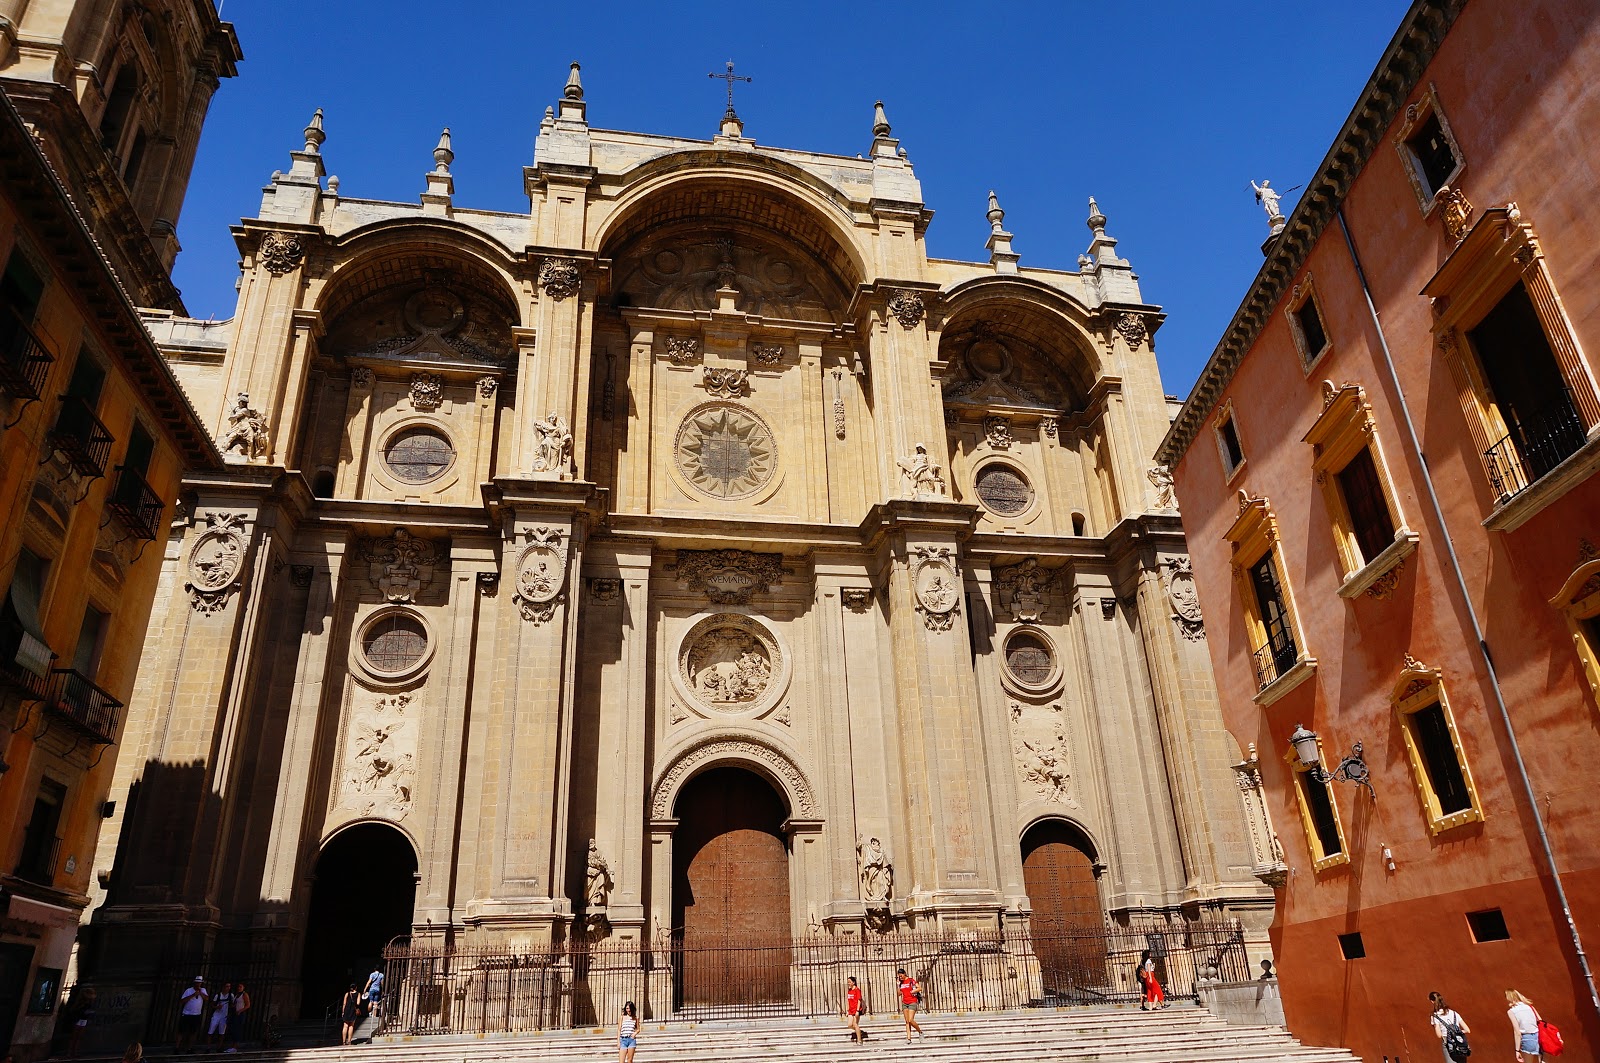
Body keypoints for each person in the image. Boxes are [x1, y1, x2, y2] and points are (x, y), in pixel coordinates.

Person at [1429, 990, 1470, 1062]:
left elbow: (1439, 1035)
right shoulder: (1454, 1013)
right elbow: (1467, 1030)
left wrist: (1448, 1033)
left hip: (1448, 1043)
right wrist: (1456, 1032)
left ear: (1432, 1001)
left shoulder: (1435, 1016)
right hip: (1460, 1043)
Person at [1506, 989, 1542, 1062]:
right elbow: (1541, 1022)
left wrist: (1517, 1050)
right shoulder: (1530, 1007)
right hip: (1540, 1036)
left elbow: (1517, 1033)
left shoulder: (1511, 1011)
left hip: (1527, 1038)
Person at [177, 977, 207, 1053]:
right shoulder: (188, 990)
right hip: (187, 1014)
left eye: (199, 983)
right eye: (197, 983)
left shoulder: (203, 990)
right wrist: (193, 995)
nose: (198, 984)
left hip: (196, 1014)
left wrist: (200, 993)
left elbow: (207, 999)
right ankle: (177, 1048)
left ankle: (189, 1048)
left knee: (193, 1032)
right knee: (181, 1031)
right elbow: (182, 1001)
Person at [896, 967, 923, 1042]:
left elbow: (919, 988)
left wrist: (913, 991)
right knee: (907, 1021)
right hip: (905, 1002)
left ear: (904, 974)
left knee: (911, 1020)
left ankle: (920, 1032)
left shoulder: (911, 980)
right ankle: (909, 1038)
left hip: (912, 1001)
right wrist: (898, 985)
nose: (900, 977)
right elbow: (898, 994)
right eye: (899, 976)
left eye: (901, 976)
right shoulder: (901, 983)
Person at [207, 981, 233, 1049]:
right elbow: (212, 1005)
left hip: (224, 1016)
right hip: (216, 1015)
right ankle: (208, 1047)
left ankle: (219, 1047)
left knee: (222, 1033)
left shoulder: (231, 995)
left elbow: (232, 1005)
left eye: (229, 986)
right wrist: (217, 1007)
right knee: (210, 1031)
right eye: (227, 986)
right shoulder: (218, 995)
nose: (228, 988)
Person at [226, 982, 251, 1051]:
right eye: (238, 987)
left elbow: (248, 1005)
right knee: (233, 1029)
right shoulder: (236, 995)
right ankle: (232, 1046)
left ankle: (235, 1047)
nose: (239, 988)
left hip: (240, 1014)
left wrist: (240, 1010)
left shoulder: (244, 994)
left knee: (237, 1030)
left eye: (240, 987)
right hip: (235, 1013)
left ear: (243, 987)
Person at [844, 976, 867, 1044]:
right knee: (850, 1025)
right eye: (848, 982)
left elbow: (859, 1000)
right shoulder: (849, 990)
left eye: (849, 982)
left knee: (855, 1024)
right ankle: (859, 1031)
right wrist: (848, 1010)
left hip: (856, 1010)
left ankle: (859, 1040)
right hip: (851, 1010)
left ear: (853, 982)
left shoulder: (857, 990)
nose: (848, 983)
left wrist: (857, 1011)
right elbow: (848, 1001)